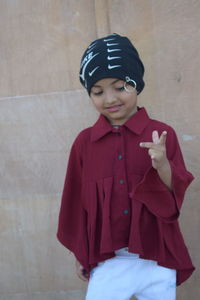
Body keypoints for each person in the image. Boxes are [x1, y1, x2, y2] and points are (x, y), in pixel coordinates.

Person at [57, 33, 195, 300]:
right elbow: (75, 203)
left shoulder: (161, 133)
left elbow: (175, 193)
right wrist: (80, 253)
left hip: (158, 257)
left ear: (136, 84)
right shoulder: (85, 143)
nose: (110, 99)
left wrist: (163, 164)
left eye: (120, 87)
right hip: (109, 261)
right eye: (98, 91)